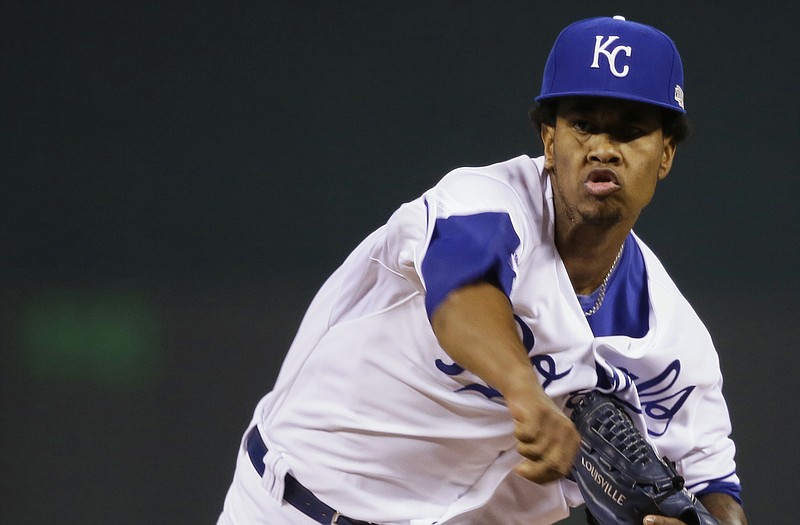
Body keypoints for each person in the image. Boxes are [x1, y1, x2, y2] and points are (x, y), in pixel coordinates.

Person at [218, 15, 747, 525]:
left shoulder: (673, 339)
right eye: (583, 125)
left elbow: (712, 482)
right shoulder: (484, 202)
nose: (602, 149)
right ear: (548, 138)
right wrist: (524, 391)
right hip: (293, 504)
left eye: (630, 130)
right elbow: (461, 295)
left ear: (666, 153)